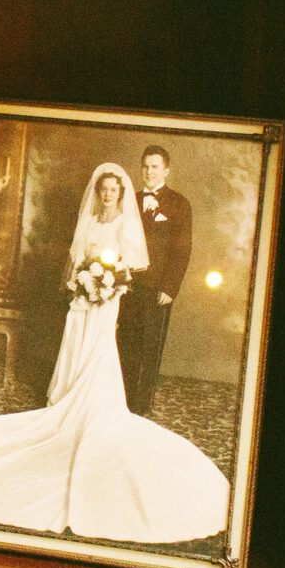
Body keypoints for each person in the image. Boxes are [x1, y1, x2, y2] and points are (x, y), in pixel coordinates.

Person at [0, 164, 231, 544]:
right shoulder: (91, 220)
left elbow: (131, 266)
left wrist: (109, 282)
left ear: (121, 193)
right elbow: (78, 259)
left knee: (100, 348)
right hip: (84, 297)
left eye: (114, 190)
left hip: (108, 299)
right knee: (76, 342)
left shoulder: (125, 224)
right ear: (98, 192)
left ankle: (95, 400)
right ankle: (68, 395)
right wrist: (84, 282)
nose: (109, 195)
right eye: (105, 189)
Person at [116, 146, 194, 417]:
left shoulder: (179, 204)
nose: (149, 172)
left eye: (155, 167)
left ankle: (141, 407)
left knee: (150, 348)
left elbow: (182, 251)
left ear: (166, 170)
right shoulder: (129, 200)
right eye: (146, 166)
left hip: (157, 288)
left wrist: (169, 288)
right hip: (127, 286)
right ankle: (122, 403)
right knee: (125, 344)